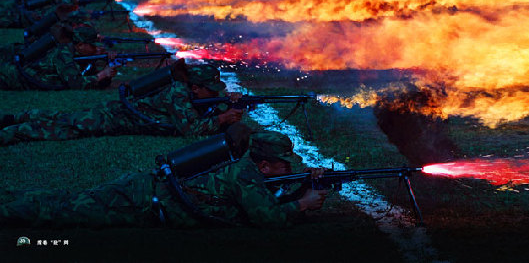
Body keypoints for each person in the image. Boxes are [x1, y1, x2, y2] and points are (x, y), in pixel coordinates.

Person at [0, 123, 328, 228]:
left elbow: (268, 196)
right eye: (285, 164)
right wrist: (304, 203)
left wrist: (302, 183)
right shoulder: (244, 177)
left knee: (62, 202)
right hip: (136, 201)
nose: (290, 167)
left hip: (142, 190)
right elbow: (266, 219)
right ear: (265, 165)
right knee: (58, 210)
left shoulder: (248, 170)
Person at [0, 62, 244, 145]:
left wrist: (228, 105)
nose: (213, 94)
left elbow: (204, 111)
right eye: (210, 91)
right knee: (63, 127)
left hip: (115, 114)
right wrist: (223, 118)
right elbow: (190, 130)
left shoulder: (189, 93)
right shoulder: (178, 94)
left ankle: (17, 118)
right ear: (195, 87)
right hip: (112, 118)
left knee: (65, 117)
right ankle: (11, 131)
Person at [0, 24, 117, 90]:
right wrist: (102, 74)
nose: (99, 49)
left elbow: (99, 84)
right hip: (10, 76)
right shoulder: (64, 54)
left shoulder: (79, 54)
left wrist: (107, 64)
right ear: (80, 45)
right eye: (94, 46)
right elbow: (77, 84)